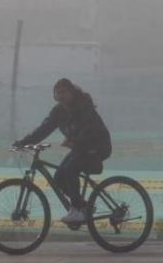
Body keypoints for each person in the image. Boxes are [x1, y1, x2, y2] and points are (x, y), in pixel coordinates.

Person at [14, 78, 112, 225]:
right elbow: (43, 129)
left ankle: (77, 210)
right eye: (58, 93)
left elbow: (90, 129)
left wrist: (75, 142)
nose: (61, 96)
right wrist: (24, 142)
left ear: (72, 92)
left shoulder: (83, 105)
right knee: (58, 178)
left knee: (70, 170)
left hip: (97, 146)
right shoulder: (58, 112)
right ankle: (83, 207)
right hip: (79, 148)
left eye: (64, 92)